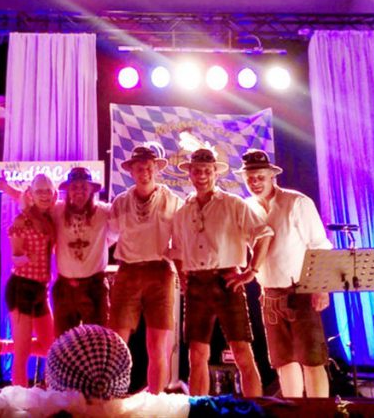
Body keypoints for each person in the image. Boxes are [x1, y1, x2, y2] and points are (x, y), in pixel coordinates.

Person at [170, 146, 273, 397]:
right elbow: (177, 251)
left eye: (207, 170)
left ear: (216, 173)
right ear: (190, 174)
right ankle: (198, 410)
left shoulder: (233, 203)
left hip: (227, 282)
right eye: (197, 171)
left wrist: (251, 270)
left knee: (242, 352)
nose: (202, 176)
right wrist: (183, 276)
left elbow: (264, 234)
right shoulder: (182, 211)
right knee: (196, 355)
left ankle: (254, 409)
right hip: (196, 286)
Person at [235, 148, 333, 398]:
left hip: (301, 290)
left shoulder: (296, 202)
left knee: (312, 359)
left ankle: (317, 413)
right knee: (283, 360)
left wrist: (321, 287)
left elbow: (319, 245)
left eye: (260, 177)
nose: (255, 183)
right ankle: (292, 409)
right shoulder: (246, 207)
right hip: (269, 294)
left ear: (272, 176)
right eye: (250, 178)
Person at [0, 167, 116, 337]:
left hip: (94, 288)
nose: (79, 191)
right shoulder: (57, 210)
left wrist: (100, 246)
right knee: (63, 343)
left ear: (91, 190)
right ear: (68, 190)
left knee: (97, 340)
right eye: (74, 187)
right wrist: (5, 187)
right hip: (65, 288)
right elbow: (32, 201)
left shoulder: (104, 211)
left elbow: (117, 232)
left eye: (84, 187)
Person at [108, 145, 183, 394]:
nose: (145, 173)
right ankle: (112, 398)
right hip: (127, 272)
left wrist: (183, 271)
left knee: (158, 345)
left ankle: (156, 401)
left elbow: (182, 240)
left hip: (159, 273)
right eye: (139, 168)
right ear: (131, 171)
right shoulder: (121, 202)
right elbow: (107, 236)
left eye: (149, 168)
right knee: (117, 343)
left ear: (156, 170)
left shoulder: (172, 201)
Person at [0, 173, 57, 387]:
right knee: (22, 355)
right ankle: (19, 399)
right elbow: (15, 258)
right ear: (32, 194)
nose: (44, 195)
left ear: (53, 194)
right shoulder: (22, 220)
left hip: (41, 289)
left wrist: (5, 187)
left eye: (48, 191)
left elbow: (20, 195)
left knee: (49, 346)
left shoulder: (51, 216)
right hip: (22, 287)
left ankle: (1, 346)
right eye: (39, 191)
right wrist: (28, 258)